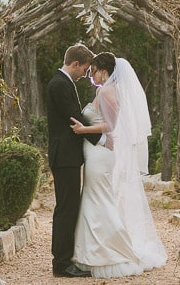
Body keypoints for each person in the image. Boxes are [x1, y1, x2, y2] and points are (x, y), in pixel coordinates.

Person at [69, 52, 167, 278]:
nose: (91, 75)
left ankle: (114, 250)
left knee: (100, 199)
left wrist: (83, 130)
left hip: (100, 154)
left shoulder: (107, 91)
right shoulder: (103, 90)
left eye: (93, 71)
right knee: (95, 198)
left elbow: (111, 125)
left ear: (104, 70)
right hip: (95, 152)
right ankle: (93, 251)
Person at [44, 43, 103, 278]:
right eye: (85, 69)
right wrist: (102, 137)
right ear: (76, 64)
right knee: (66, 209)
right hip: (64, 156)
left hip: (68, 156)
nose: (86, 74)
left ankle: (64, 259)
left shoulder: (63, 82)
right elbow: (74, 118)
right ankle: (61, 264)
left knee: (69, 207)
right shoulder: (59, 84)